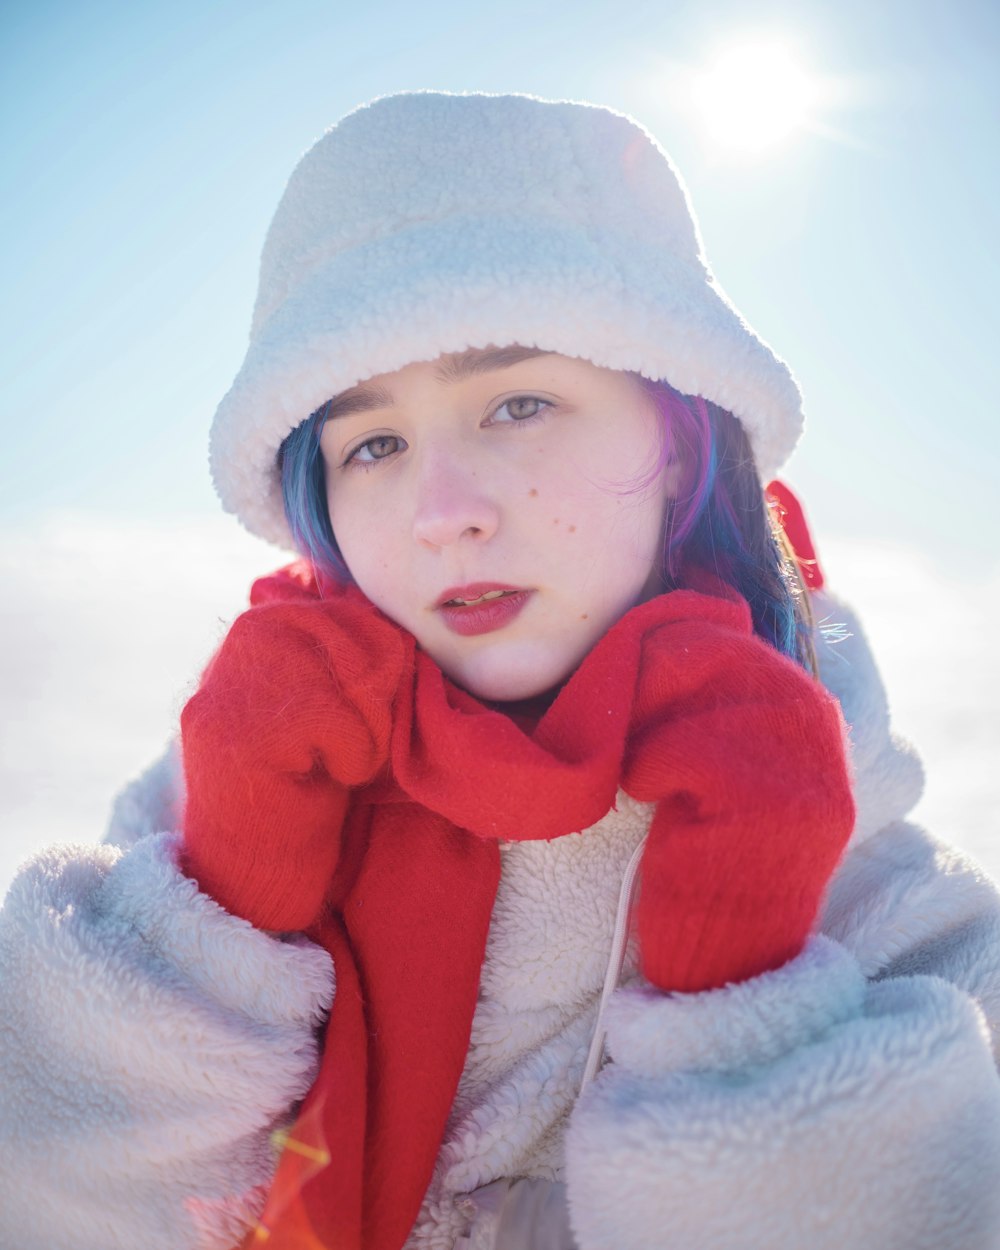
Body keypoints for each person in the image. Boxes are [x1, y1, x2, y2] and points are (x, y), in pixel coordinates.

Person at [2, 91, 999, 1250]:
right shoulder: (217, 781)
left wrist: (747, 1000)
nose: (443, 513)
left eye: (519, 402)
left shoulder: (878, 887)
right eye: (372, 443)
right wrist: (216, 914)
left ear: (681, 444)